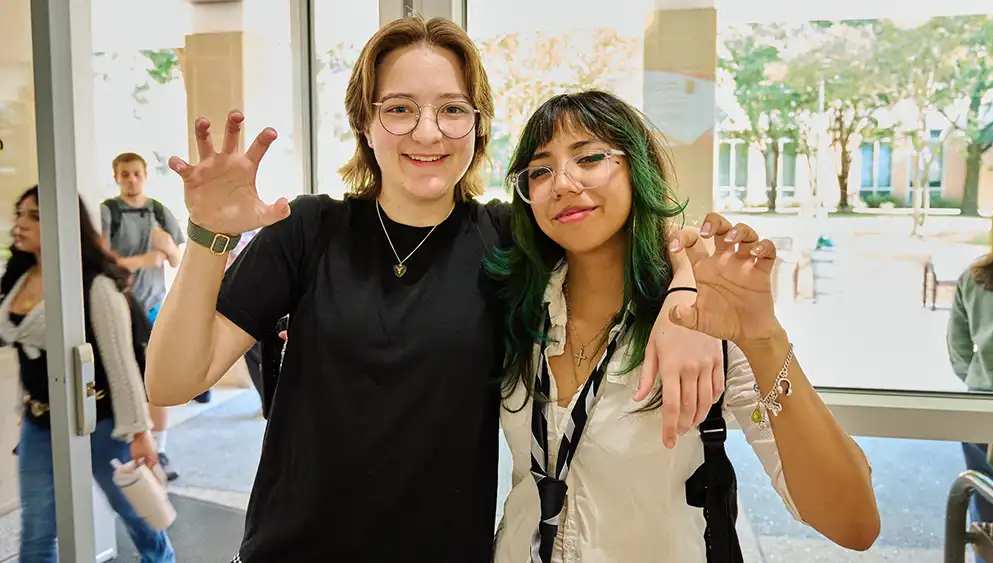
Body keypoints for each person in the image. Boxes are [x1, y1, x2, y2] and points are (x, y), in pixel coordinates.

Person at [145, 16, 723, 562]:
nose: (428, 131)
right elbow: (170, 381)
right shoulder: (307, 230)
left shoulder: (508, 239)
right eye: (399, 109)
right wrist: (208, 235)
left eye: (452, 109)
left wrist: (685, 302)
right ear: (365, 124)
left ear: (477, 125)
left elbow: (648, 232)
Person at [489, 91, 880, 562]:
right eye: (540, 171)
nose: (563, 184)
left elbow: (854, 523)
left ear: (638, 168)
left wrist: (762, 338)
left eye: (589, 158)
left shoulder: (703, 322)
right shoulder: (515, 306)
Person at [1, 187, 175, 563]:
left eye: (35, 216)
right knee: (37, 530)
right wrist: (25, 408)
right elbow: (28, 355)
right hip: (40, 423)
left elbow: (121, 365)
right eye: (20, 214)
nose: (21, 224)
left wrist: (140, 434)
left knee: (139, 515)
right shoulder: (19, 276)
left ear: (63, 223)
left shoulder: (94, 284)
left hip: (101, 422)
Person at [101, 152, 189, 482]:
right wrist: (144, 259)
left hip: (153, 307)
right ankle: (128, 447)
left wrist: (165, 245)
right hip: (117, 308)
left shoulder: (158, 211)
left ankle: (160, 449)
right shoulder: (108, 212)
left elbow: (176, 258)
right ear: (116, 177)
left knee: (156, 381)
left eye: (136, 173)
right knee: (123, 379)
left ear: (145, 175)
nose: (131, 179)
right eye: (125, 174)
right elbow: (103, 262)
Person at [948, 197, 993, 531]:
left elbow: (958, 345)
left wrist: (977, 375)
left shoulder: (975, 277)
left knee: (987, 507)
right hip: (982, 392)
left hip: (981, 396)